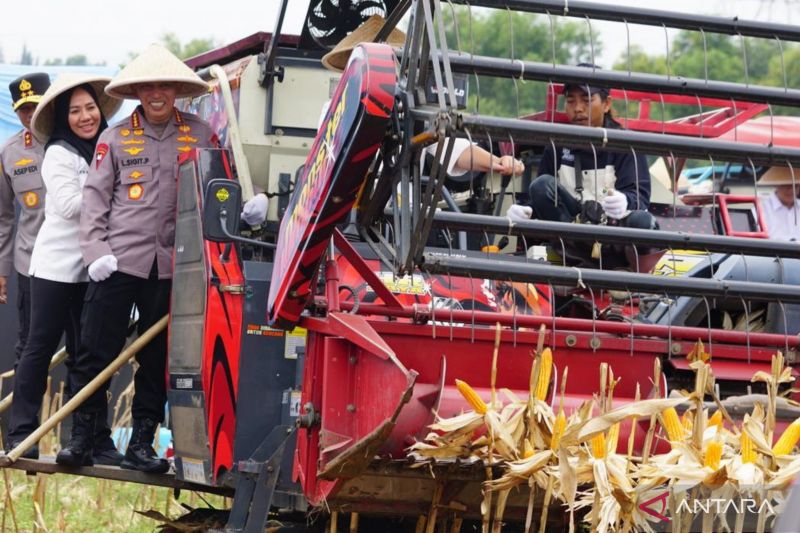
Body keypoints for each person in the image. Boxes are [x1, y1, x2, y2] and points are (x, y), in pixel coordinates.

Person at [58, 44, 269, 471]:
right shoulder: (115, 138)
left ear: (176, 90)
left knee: (156, 359)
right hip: (117, 262)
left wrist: (249, 203)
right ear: (137, 92)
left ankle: (141, 444)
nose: (157, 94)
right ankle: (83, 439)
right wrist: (96, 252)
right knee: (94, 352)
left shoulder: (201, 133)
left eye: (165, 86)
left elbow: (225, 181)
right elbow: (94, 202)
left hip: (176, 266)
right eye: (148, 87)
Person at [5, 74, 122, 462]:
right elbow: (71, 206)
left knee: (88, 354)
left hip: (95, 266)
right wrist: (115, 194)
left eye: (90, 108)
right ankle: (21, 434)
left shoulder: (109, 145)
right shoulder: (57, 152)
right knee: (38, 348)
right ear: (62, 118)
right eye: (75, 111)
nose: (85, 117)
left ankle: (91, 439)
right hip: (55, 266)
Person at [506, 64, 656, 267]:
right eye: (570, 101)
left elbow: (640, 197)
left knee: (642, 222)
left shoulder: (626, 143)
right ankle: (585, 259)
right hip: (572, 226)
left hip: (613, 231)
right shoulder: (557, 144)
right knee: (541, 186)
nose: (577, 108)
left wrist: (624, 201)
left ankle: (595, 262)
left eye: (587, 100)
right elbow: (543, 197)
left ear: (606, 104)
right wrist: (526, 210)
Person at [0, 73, 51, 362]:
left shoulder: (75, 140)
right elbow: (3, 216)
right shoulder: (8, 152)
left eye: (37, 106)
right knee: (30, 345)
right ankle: (25, 395)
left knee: (82, 344)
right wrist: (2, 269)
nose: (31, 114)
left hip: (77, 261)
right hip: (32, 262)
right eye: (24, 109)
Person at [758, 166, 800, 241]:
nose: (790, 190)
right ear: (777, 185)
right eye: (786, 186)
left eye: (795, 186)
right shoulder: (761, 209)